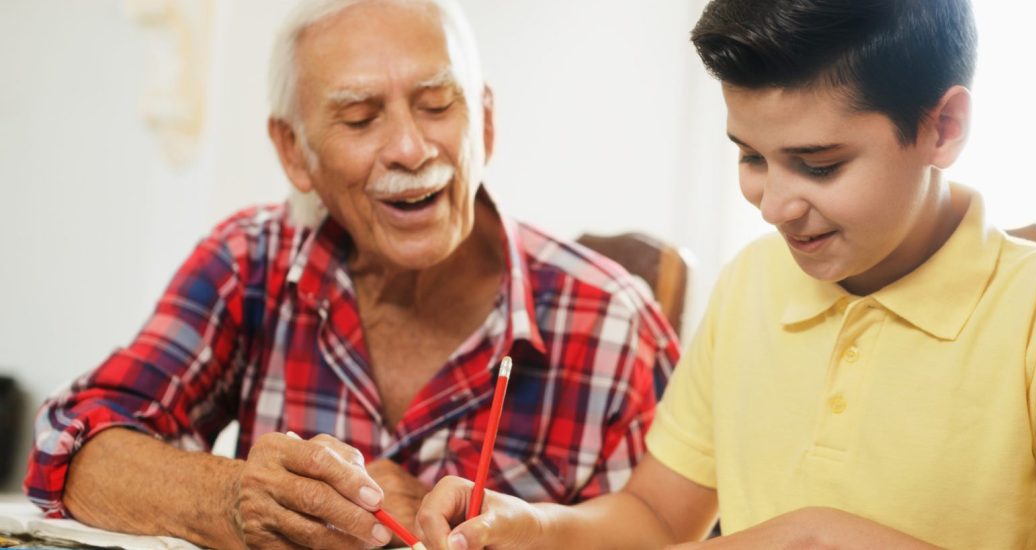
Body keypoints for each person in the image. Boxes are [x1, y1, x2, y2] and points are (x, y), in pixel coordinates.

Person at [413, 0, 1036, 548]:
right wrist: (532, 525)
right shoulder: (754, 283)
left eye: (818, 164)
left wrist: (819, 535)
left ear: (942, 128)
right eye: (750, 156)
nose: (774, 204)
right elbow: (654, 518)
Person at [23, 0, 678, 548]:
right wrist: (237, 497)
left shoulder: (615, 321)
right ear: (293, 152)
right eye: (361, 117)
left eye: (437, 105)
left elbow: (665, 535)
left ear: (485, 120)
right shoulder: (250, 260)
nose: (410, 149)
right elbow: (71, 449)